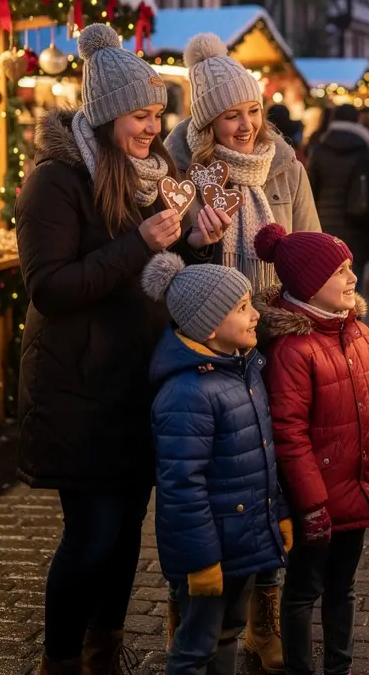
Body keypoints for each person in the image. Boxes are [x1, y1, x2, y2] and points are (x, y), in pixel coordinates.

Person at [17, 24, 224, 675]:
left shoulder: (150, 173)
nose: (152, 128)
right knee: (91, 535)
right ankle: (60, 659)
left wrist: (201, 242)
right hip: (77, 389)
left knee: (128, 528)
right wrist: (141, 243)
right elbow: (50, 288)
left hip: (140, 383)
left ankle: (104, 645)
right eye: (141, 115)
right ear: (107, 117)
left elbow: (165, 272)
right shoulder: (55, 181)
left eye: (157, 114)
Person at [165, 31, 319, 671]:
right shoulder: (182, 171)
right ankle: (190, 617)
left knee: (270, 482)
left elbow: (311, 249)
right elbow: (164, 264)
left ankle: (263, 617)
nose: (249, 125)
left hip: (274, 340)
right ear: (207, 120)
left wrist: (304, 311)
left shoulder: (286, 165)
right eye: (233, 115)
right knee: (205, 483)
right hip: (206, 345)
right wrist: (200, 243)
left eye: (254, 110)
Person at [253, 223, 369, 675]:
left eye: (349, 268)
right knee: (304, 589)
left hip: (357, 488)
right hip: (316, 502)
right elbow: (289, 434)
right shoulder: (292, 350)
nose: (352, 278)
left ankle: (339, 667)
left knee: (343, 587)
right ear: (308, 284)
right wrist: (312, 505)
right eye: (340, 271)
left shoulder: (358, 333)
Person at [142, 253, 292, 675]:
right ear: (210, 325)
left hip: (244, 541)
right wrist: (201, 561)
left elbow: (263, 456)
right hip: (209, 553)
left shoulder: (244, 372)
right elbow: (181, 487)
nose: (255, 314)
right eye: (242, 308)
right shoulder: (187, 394)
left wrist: (278, 514)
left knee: (228, 631)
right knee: (195, 646)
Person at [307, 103, 369, 289]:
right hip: (359, 225)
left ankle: (329, 317)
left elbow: (309, 190)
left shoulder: (319, 150)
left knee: (325, 282)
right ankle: (352, 318)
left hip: (324, 225)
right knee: (353, 280)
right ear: (357, 120)